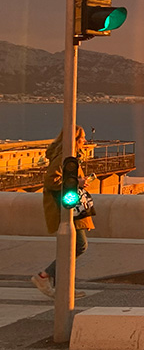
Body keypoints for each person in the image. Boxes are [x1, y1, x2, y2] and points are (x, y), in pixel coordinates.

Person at [31, 127, 90, 299]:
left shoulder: (70, 157)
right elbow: (51, 181)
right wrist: (77, 182)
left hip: (70, 209)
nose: (85, 141)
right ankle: (45, 276)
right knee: (79, 245)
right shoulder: (64, 158)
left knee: (70, 247)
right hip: (64, 210)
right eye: (83, 138)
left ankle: (63, 287)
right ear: (75, 139)